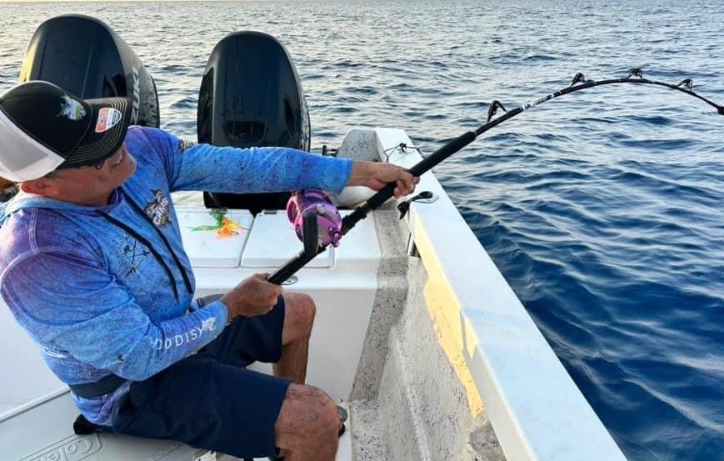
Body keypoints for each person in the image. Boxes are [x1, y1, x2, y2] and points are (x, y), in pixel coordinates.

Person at [0, 80, 418, 461]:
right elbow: (141, 357)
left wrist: (357, 172)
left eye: (102, 131)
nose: (117, 148)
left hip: (181, 327)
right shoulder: (37, 254)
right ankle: (299, 425)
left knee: (299, 309)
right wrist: (231, 307)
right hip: (130, 389)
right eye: (93, 154)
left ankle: (280, 427)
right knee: (317, 418)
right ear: (41, 185)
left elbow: (249, 166)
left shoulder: (140, 149)